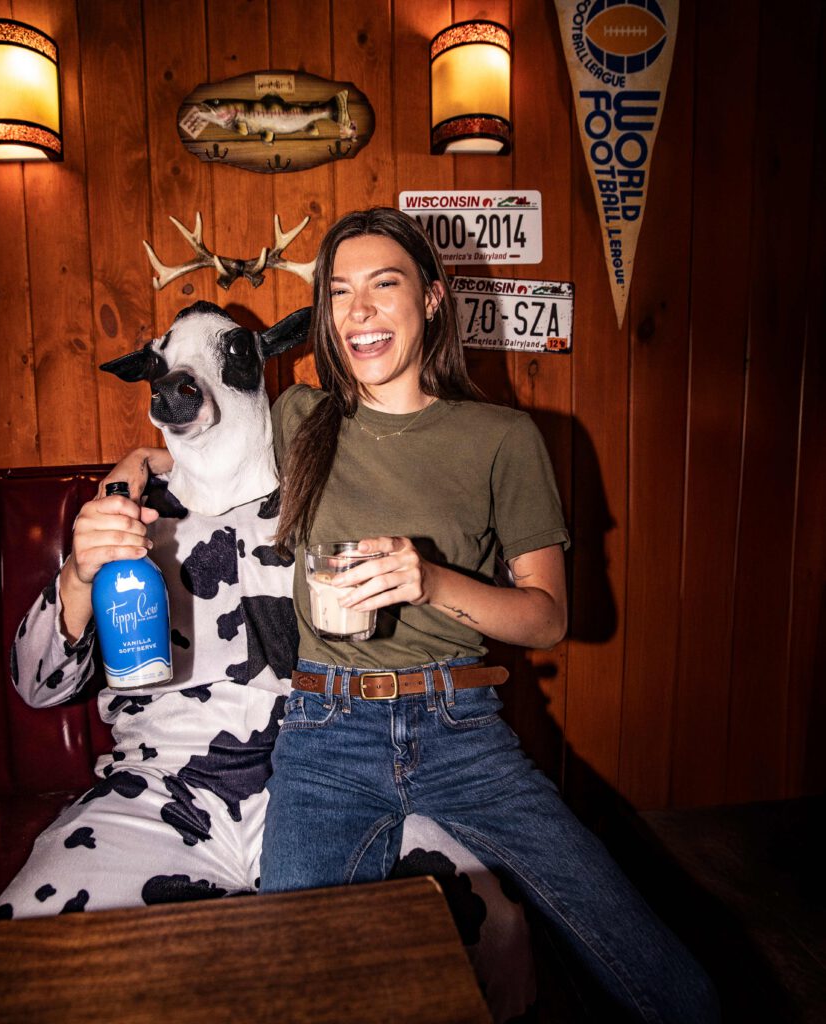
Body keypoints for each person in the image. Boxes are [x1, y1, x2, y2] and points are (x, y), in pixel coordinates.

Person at [258, 206, 720, 1023]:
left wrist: (427, 580)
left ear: (432, 300)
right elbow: (180, 451)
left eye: (382, 285)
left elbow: (547, 620)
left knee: (662, 979)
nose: (357, 311)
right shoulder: (300, 418)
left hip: (460, 727)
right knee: (287, 985)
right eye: (337, 292)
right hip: (323, 731)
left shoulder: (502, 438)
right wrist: (126, 473)